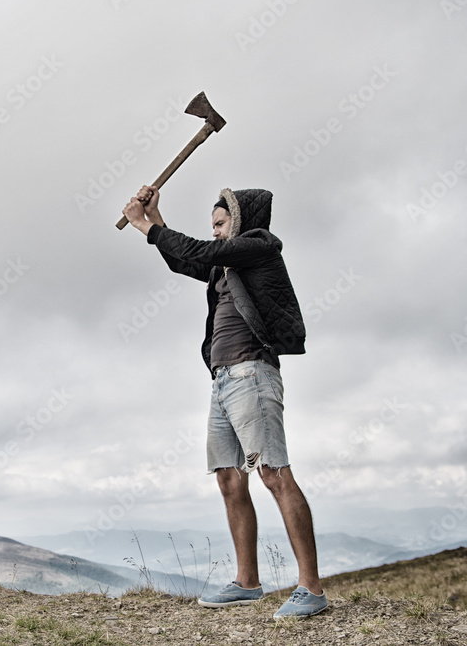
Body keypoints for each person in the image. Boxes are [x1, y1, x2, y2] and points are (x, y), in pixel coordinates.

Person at [121, 184, 327, 620]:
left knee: (273, 472)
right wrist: (155, 219)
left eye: (219, 224)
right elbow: (187, 258)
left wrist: (142, 225)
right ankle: (248, 582)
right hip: (222, 380)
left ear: (240, 220)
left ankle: (311, 588)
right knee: (230, 480)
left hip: (252, 373)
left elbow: (204, 251)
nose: (214, 234)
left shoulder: (258, 247)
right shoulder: (226, 265)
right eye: (212, 226)